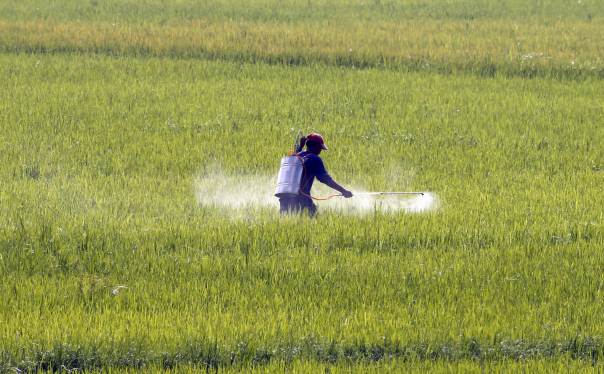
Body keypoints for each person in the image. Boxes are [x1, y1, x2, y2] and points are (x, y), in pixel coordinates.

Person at [279, 133, 353, 216]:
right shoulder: (314, 159)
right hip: (302, 198)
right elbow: (326, 179)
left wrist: (301, 146)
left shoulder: (298, 155)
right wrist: (343, 191)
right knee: (313, 221)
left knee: (287, 222)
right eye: (320, 148)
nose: (320, 151)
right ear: (316, 146)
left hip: (284, 197)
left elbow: (294, 158)